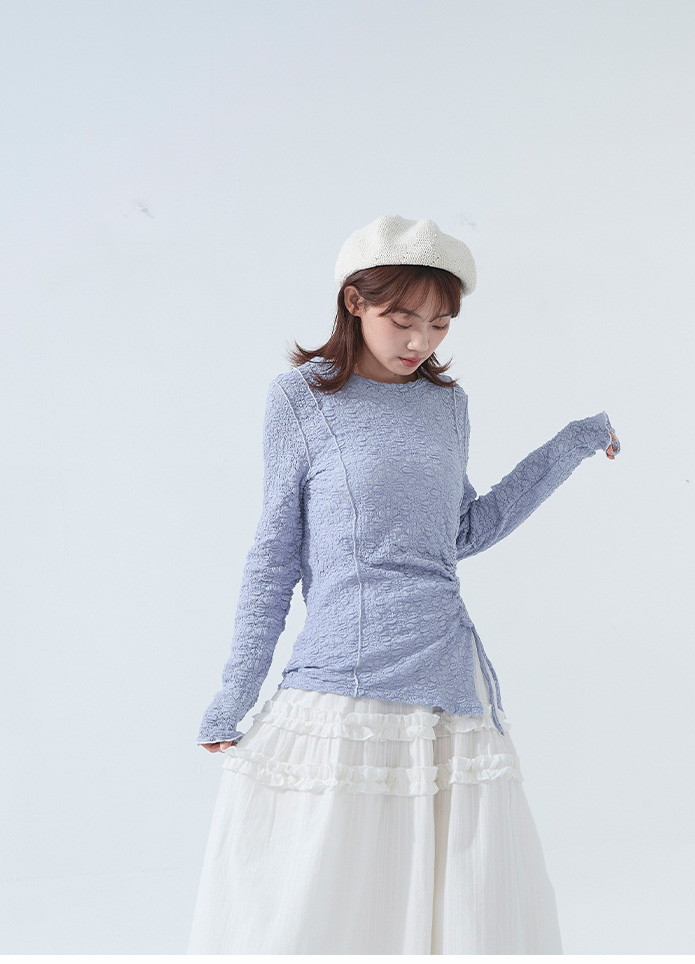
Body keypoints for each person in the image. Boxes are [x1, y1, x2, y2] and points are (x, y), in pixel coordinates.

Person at [187, 214, 620, 955]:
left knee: (456, 912)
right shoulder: (301, 400)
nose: (420, 341)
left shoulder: (446, 406)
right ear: (354, 302)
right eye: (403, 319)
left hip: (448, 684)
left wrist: (570, 445)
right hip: (341, 684)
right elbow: (274, 555)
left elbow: (463, 531)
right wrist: (236, 691)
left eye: (440, 325)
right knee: (317, 906)